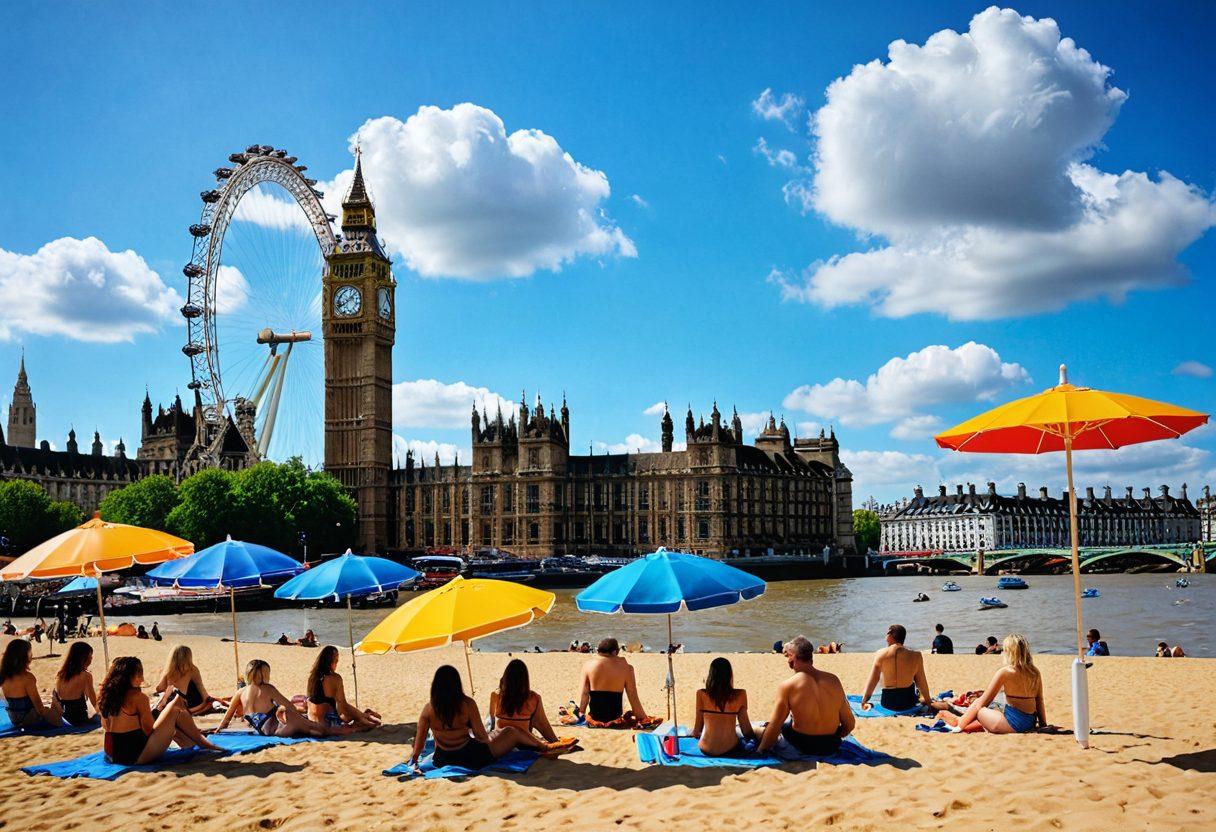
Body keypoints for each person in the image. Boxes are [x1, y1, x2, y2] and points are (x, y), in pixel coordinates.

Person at [411, 665, 543, 771]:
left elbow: (420, 740)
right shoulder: (467, 704)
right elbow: (482, 737)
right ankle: (543, 746)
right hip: (471, 758)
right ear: (457, 684)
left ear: (435, 686)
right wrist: (492, 738)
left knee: (503, 733)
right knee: (511, 732)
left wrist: (415, 759)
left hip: (442, 759)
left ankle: (541, 745)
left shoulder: (428, 709)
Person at [99, 656, 223, 764]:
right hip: (135, 756)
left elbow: (107, 726)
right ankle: (204, 742)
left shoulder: (106, 696)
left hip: (112, 754)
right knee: (175, 707)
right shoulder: (138, 698)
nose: (142, 679)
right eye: (139, 675)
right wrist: (162, 710)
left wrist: (160, 710)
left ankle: (193, 743)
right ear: (129, 677)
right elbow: (148, 730)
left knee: (171, 711)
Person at [757, 636, 854, 756]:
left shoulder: (788, 685)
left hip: (802, 746)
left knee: (768, 728)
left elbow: (774, 727)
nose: (787, 660)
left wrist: (760, 750)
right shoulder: (833, 680)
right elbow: (849, 724)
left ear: (792, 658)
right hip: (831, 746)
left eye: (788, 656)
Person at [217, 659, 347, 738]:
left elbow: (226, 719)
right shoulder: (269, 689)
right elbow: (289, 706)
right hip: (278, 727)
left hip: (263, 730)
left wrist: (218, 730)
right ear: (265, 674)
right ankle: (354, 729)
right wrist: (300, 718)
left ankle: (312, 729)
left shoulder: (240, 692)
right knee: (318, 727)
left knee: (312, 729)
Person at [956, 634, 1046, 734]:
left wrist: (961, 724)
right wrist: (1043, 725)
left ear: (1010, 652)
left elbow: (983, 701)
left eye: (1004, 650)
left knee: (979, 708)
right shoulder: (1034, 672)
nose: (1002, 652)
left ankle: (958, 725)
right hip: (1030, 721)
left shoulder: (1005, 672)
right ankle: (962, 724)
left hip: (1013, 724)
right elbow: (1039, 700)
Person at [576, 637, 655, 727]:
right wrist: (641, 717)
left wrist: (581, 713)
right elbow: (632, 694)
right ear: (614, 652)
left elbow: (584, 694)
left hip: (595, 717)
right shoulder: (627, 668)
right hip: (615, 718)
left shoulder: (588, 666)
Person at [488, 658, 563, 744]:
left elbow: (491, 720)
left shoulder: (496, 695)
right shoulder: (534, 698)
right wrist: (555, 741)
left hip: (500, 741)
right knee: (534, 719)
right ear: (525, 679)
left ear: (506, 677)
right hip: (524, 742)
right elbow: (543, 724)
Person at [307, 645, 380, 731]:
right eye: (336, 661)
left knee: (351, 716)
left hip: (312, 719)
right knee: (370, 722)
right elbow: (343, 705)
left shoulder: (313, 677)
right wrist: (362, 716)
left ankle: (364, 716)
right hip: (329, 724)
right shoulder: (335, 678)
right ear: (330, 662)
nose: (337, 664)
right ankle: (365, 717)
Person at [860, 624, 932, 712]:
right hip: (908, 703)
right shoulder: (916, 655)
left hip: (888, 703)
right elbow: (921, 682)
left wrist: (864, 700)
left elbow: (873, 680)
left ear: (890, 634)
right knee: (915, 685)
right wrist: (929, 702)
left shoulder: (880, 654)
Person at [692, 657, 755, 756]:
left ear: (711, 675)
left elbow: (696, 732)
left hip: (706, 749)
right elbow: (746, 729)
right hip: (730, 749)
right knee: (749, 732)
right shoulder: (740, 694)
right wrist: (753, 740)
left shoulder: (701, 694)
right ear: (730, 675)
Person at [0, 639, 62, 728]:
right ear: (23, 656)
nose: (32, 654)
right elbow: (40, 710)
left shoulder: (3, 675)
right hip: (28, 719)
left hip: (13, 718)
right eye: (30, 651)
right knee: (55, 702)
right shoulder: (28, 678)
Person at [155, 645, 228, 715]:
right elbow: (201, 688)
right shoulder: (192, 669)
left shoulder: (169, 670)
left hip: (171, 702)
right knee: (211, 700)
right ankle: (202, 709)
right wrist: (209, 700)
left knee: (190, 686)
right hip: (186, 704)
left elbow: (159, 688)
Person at [54, 642, 99, 726]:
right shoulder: (86, 676)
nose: (91, 658)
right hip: (79, 718)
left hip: (64, 716)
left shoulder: (61, 674)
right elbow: (93, 702)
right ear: (83, 658)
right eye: (90, 656)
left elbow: (57, 697)